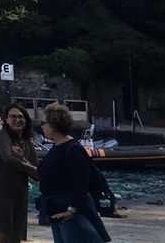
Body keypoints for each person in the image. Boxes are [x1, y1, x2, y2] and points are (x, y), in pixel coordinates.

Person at [37, 102, 111, 243]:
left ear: (54, 125)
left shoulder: (73, 149)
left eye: (44, 123)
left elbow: (80, 182)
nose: (42, 126)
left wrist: (72, 209)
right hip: (56, 208)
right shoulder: (57, 147)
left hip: (69, 210)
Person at [0, 103, 39, 242]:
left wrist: (23, 160)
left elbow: (37, 175)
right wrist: (28, 165)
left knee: (15, 239)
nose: (17, 120)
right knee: (2, 239)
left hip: (20, 197)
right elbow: (8, 159)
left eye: (20, 116)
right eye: (13, 116)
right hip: (1, 196)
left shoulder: (27, 143)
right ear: (6, 119)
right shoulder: (2, 136)